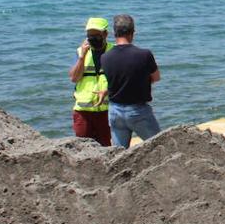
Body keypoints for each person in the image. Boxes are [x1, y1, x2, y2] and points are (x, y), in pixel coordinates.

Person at [100, 14, 161, 148]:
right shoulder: (144, 54)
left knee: (119, 155)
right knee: (160, 146)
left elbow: (114, 80)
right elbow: (156, 77)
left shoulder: (105, 58)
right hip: (138, 111)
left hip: (115, 110)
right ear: (133, 32)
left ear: (114, 33)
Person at [69, 16, 113, 146]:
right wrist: (82, 57)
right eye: (90, 35)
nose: (93, 38)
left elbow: (122, 79)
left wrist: (107, 90)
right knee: (83, 148)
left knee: (106, 147)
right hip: (83, 111)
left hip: (107, 110)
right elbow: (74, 78)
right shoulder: (80, 52)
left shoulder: (114, 51)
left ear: (105, 34)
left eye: (96, 35)